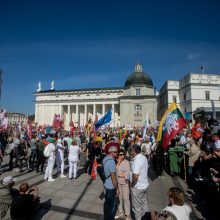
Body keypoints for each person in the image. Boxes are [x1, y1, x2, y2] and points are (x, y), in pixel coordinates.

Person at [130, 144, 149, 220]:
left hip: (137, 187)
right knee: (144, 205)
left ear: (134, 151)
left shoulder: (137, 160)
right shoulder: (143, 157)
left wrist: (132, 185)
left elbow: (135, 176)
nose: (130, 151)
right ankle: (146, 218)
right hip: (144, 185)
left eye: (131, 150)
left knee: (137, 209)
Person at [103, 141, 119, 220]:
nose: (117, 153)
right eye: (116, 152)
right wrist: (117, 189)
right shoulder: (112, 162)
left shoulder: (105, 158)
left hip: (106, 184)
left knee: (107, 204)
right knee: (112, 207)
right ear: (112, 152)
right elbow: (113, 178)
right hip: (111, 187)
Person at [115, 149, 131, 220]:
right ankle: (120, 211)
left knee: (126, 198)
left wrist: (121, 175)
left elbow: (127, 173)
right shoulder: (116, 162)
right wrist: (118, 163)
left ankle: (127, 214)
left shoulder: (127, 162)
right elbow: (114, 172)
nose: (122, 156)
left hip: (125, 183)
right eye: (120, 154)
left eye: (123, 154)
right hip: (118, 183)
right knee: (118, 198)